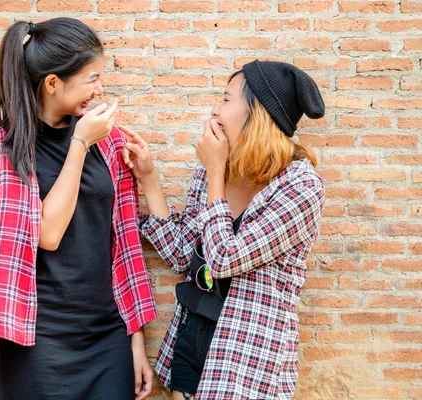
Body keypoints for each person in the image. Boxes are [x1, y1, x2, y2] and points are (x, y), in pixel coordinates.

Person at [0, 18, 157, 400]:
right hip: (34, 342)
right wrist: (79, 144)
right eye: (92, 78)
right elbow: (47, 234)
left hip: (106, 338)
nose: (100, 90)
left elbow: (124, 246)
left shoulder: (107, 140)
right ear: (53, 83)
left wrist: (135, 342)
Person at [121, 60, 326, 399]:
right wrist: (149, 178)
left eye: (227, 99)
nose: (215, 110)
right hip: (193, 336)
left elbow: (224, 259)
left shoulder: (301, 188)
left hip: (247, 352)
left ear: (257, 112)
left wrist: (215, 172)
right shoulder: (218, 168)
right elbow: (185, 254)